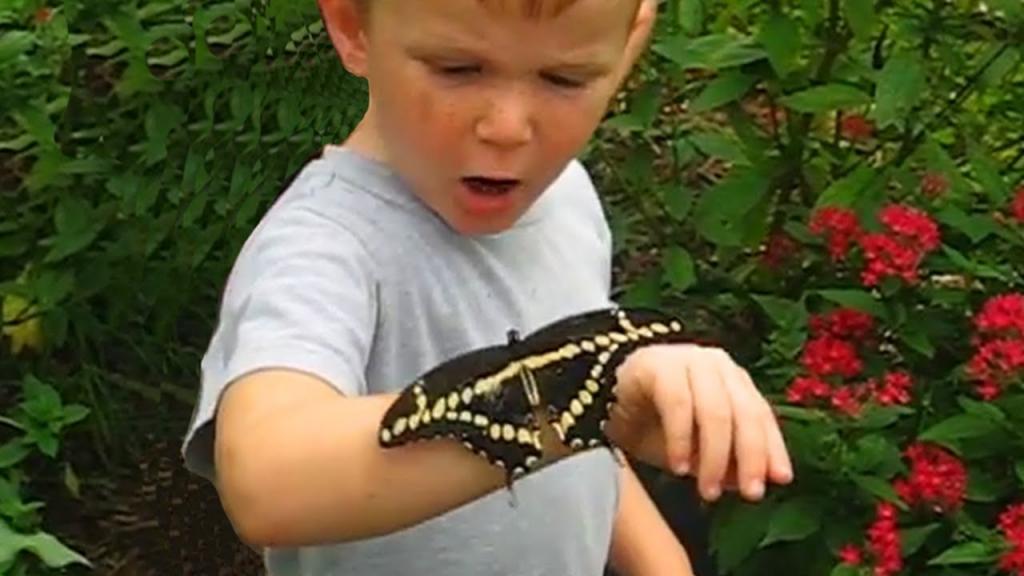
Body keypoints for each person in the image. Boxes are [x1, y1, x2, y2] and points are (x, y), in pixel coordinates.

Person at [180, 0, 794, 574]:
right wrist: (579, 390)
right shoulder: (324, 248)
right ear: (351, 24)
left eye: (564, 80)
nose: (507, 128)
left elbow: (579, 437)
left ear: (627, 44)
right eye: (457, 68)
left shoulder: (565, 200)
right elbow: (267, 482)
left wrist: (661, 561)